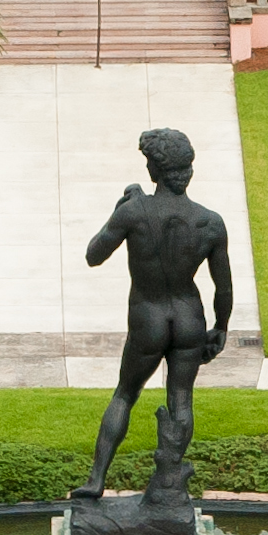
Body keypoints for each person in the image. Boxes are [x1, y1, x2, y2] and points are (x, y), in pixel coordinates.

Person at [81, 129, 235, 500]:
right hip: (189, 317)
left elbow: (93, 254)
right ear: (188, 172)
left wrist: (119, 212)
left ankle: (96, 480)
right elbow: (224, 288)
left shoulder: (135, 212)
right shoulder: (210, 222)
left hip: (148, 317)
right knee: (181, 397)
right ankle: (169, 481)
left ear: (153, 170)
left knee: (125, 394)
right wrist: (221, 328)